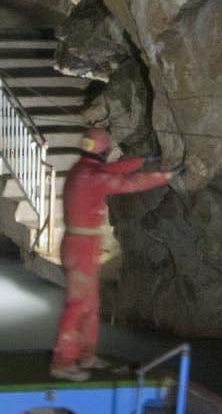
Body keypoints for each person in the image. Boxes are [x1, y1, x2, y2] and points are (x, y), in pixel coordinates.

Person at [50, 127, 176, 381]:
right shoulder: (91, 176)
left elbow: (111, 170)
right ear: (103, 151)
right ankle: (63, 362)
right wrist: (165, 176)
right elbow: (127, 183)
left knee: (91, 304)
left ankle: (85, 355)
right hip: (81, 247)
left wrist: (141, 161)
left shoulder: (83, 169)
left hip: (81, 244)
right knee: (78, 305)